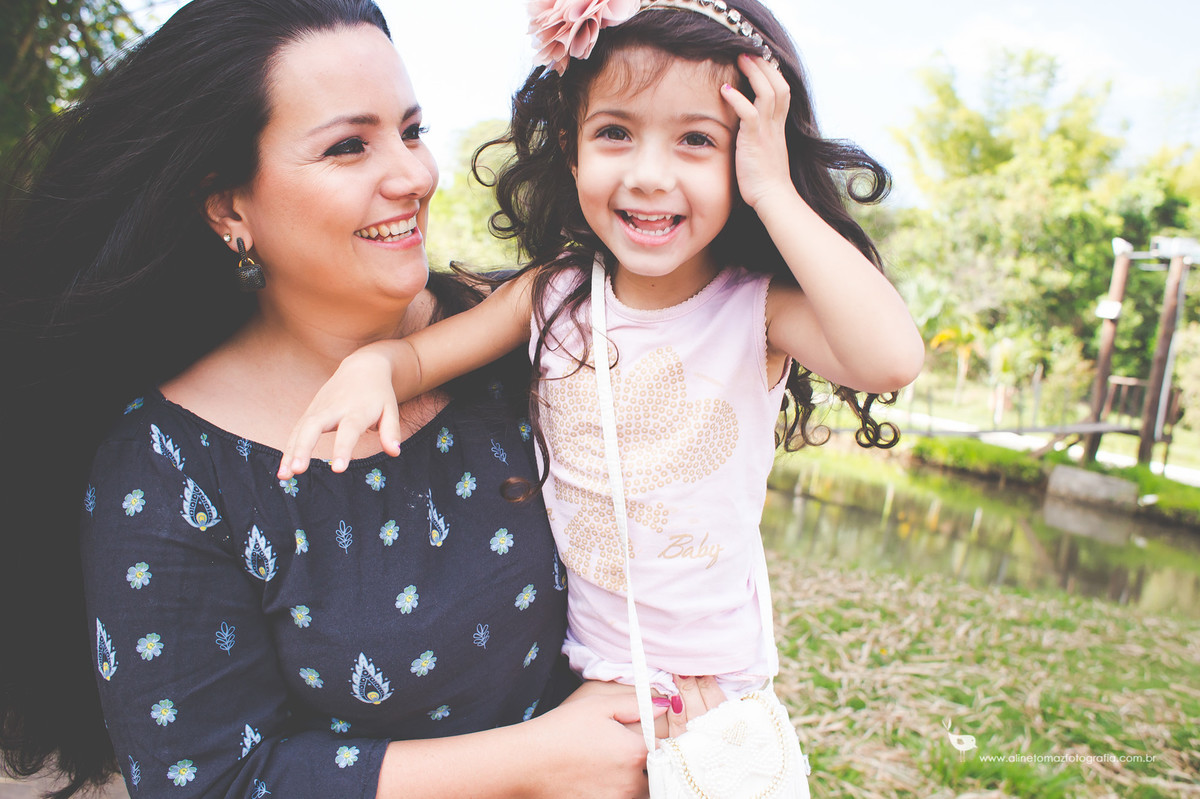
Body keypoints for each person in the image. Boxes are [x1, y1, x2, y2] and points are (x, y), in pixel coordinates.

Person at [0, 1, 669, 796]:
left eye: (412, 131)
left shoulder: (524, 336)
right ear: (228, 207)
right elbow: (208, 780)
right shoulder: (170, 468)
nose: (415, 175)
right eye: (349, 146)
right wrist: (543, 760)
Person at [278, 0, 924, 729]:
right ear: (571, 148)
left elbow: (892, 359)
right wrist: (376, 369)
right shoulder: (554, 292)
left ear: (745, 154)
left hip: (709, 691)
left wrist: (773, 188)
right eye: (615, 132)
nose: (649, 175)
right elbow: (421, 357)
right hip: (574, 673)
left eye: (696, 140)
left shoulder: (757, 310)